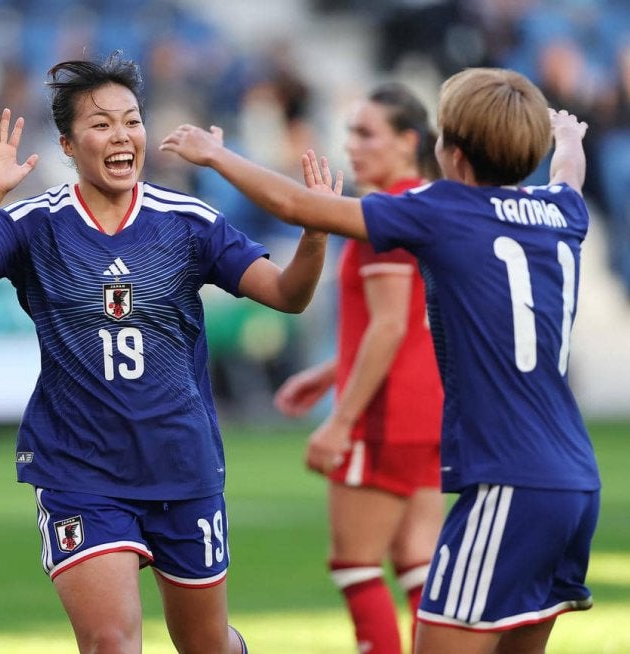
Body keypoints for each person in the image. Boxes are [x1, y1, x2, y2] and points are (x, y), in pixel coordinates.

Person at [161, 67, 600, 654]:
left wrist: (216, 155)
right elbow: (569, 178)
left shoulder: (443, 209)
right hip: (575, 479)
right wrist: (568, 143)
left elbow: (298, 204)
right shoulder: (562, 213)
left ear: (451, 151)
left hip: (509, 482)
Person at [0, 52, 330, 654]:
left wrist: (316, 230)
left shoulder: (187, 221)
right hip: (79, 469)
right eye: (101, 124)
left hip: (181, 463)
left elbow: (288, 295)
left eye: (132, 120)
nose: (121, 135)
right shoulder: (35, 225)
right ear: (67, 145)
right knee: (112, 642)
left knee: (205, 645)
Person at [271, 82, 444, 654]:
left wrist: (339, 419)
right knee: (419, 562)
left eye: (367, 133)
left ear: (408, 140)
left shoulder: (386, 214)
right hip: (434, 409)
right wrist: (328, 371)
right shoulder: (434, 204)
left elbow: (391, 324)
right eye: (350, 132)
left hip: (385, 412)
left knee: (355, 564)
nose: (352, 145)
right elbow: (409, 320)